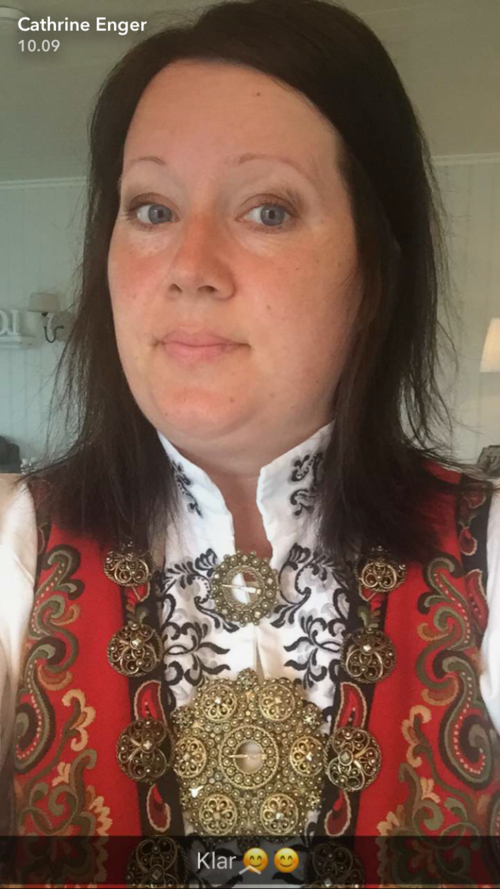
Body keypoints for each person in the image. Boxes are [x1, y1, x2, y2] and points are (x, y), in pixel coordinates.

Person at [0, 0, 499, 885]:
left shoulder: (486, 550)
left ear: (374, 274)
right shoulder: (17, 548)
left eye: (268, 210)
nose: (189, 266)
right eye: (152, 208)